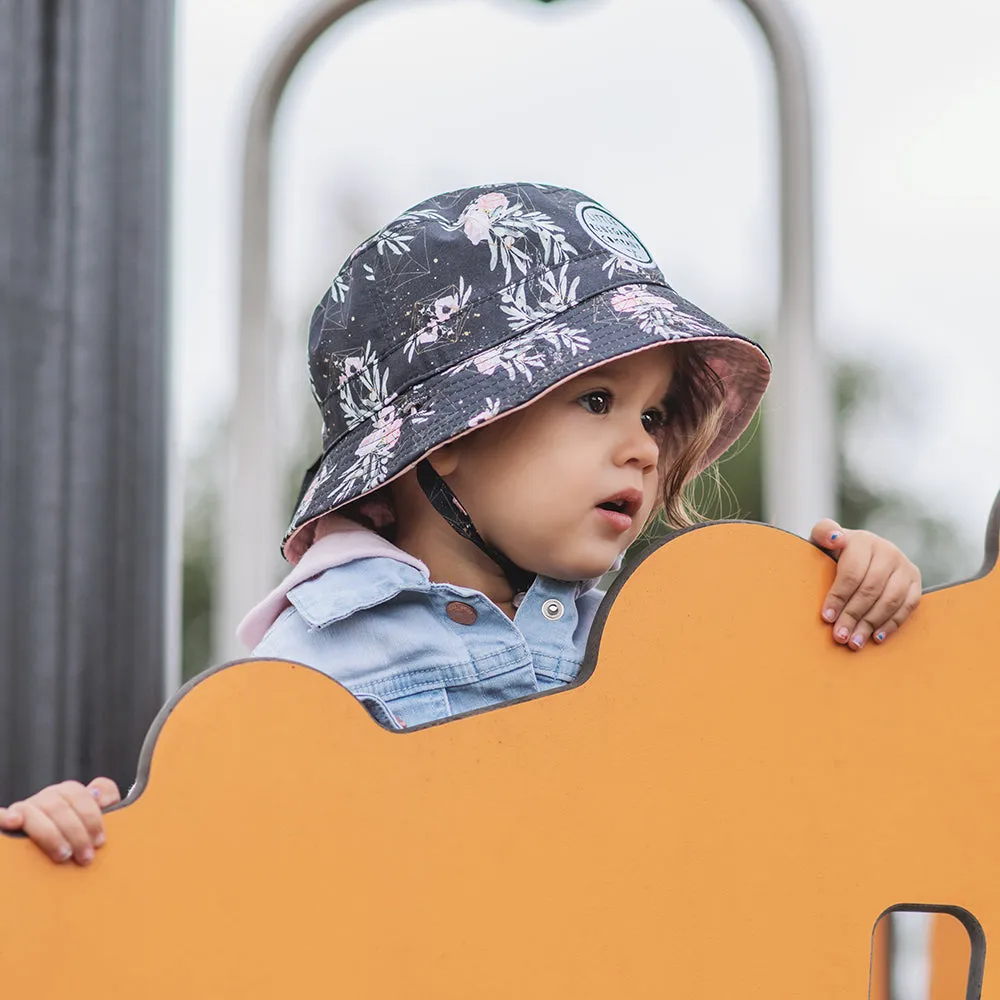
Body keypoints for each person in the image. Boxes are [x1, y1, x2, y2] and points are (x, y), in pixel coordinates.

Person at [0, 182, 922, 865]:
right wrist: (80, 833)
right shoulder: (320, 658)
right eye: (596, 399)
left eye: (649, 416)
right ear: (447, 439)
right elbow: (211, 840)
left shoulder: (646, 633)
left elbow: (788, 752)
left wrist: (849, 597)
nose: (643, 449)